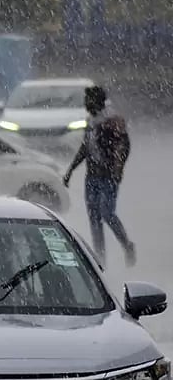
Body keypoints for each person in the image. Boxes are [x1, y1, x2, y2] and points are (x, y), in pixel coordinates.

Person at [63, 86, 135, 267]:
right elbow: (85, 148)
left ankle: (126, 245)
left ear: (98, 102)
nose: (86, 104)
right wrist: (71, 170)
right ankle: (100, 259)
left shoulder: (112, 121)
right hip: (92, 176)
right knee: (94, 216)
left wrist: (117, 169)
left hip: (109, 176)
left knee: (107, 213)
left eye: (89, 101)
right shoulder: (91, 121)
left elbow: (123, 146)